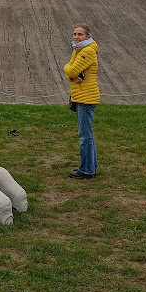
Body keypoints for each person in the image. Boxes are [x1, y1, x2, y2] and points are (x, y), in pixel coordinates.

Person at [63, 24, 100, 179]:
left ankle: (87, 170)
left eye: (80, 34)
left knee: (85, 135)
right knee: (87, 134)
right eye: (74, 34)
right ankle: (91, 166)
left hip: (86, 98)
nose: (76, 37)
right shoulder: (78, 49)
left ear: (88, 37)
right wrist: (70, 74)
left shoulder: (87, 51)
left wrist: (67, 69)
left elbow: (70, 69)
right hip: (81, 96)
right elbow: (71, 73)